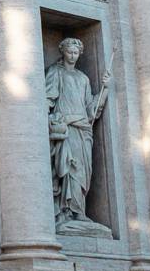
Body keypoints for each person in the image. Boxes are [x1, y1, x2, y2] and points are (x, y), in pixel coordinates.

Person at [44, 38, 109, 226]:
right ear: (63, 52)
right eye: (69, 52)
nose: (72, 56)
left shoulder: (83, 78)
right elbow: (48, 98)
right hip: (67, 126)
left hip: (83, 129)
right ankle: (66, 210)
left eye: (75, 53)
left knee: (82, 171)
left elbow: (92, 109)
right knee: (69, 168)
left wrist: (104, 89)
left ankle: (79, 210)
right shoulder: (55, 73)